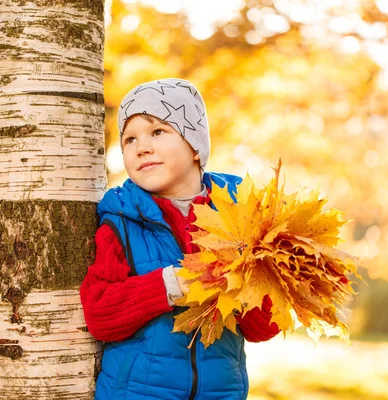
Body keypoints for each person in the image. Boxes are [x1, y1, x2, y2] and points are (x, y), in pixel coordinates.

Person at [80, 78, 280, 400]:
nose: (141, 147)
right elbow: (100, 314)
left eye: (158, 131)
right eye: (129, 139)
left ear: (195, 146)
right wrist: (173, 284)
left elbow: (262, 329)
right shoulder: (121, 220)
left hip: (221, 392)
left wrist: (257, 278)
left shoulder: (242, 215)